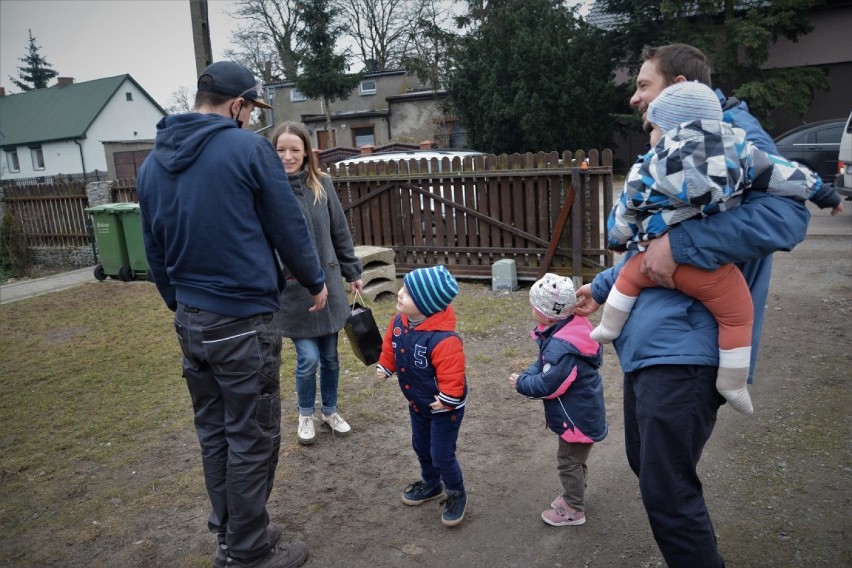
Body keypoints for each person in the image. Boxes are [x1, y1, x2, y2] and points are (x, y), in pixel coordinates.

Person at [575, 43, 811, 568]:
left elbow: (789, 219)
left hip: (686, 346)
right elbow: (660, 232)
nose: (635, 99)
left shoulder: (730, 134)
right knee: (650, 468)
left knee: (667, 491)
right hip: (652, 339)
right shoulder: (674, 135)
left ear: (681, 86)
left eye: (643, 85)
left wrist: (678, 249)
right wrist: (606, 282)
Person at [138, 61, 328, 568]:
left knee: (216, 431)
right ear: (238, 105)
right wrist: (315, 280)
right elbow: (287, 224)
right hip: (243, 323)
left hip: (192, 322)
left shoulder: (152, 162)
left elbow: (154, 249)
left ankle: (232, 533)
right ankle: (248, 551)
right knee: (252, 435)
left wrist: (178, 305)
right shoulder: (247, 149)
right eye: (250, 109)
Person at [590, 81, 842, 415]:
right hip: (707, 270)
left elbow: (624, 211)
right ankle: (733, 381)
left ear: (665, 128)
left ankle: (608, 326)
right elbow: (787, 175)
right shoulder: (741, 150)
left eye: (653, 128)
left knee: (630, 279)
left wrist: (621, 239)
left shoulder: (650, 163)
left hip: (648, 260)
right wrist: (825, 194)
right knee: (738, 312)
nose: (650, 134)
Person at [270, 121, 364, 445]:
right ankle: (305, 414)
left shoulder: (322, 184)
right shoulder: (267, 190)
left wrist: (353, 271)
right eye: (280, 149)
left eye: (294, 149)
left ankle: (331, 411)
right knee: (307, 358)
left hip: (331, 286)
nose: (287, 155)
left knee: (331, 357)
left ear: (306, 152)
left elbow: (339, 230)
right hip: (294, 293)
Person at [508, 273, 606, 527]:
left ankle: (574, 508)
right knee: (575, 460)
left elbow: (549, 385)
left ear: (545, 313)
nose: (531, 309)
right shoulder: (568, 328)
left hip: (577, 419)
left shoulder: (563, 347)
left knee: (568, 461)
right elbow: (543, 364)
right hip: (582, 412)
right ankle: (576, 494)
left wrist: (522, 383)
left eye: (534, 305)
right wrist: (531, 371)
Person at [375, 265, 468, 527]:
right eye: (403, 287)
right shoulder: (398, 323)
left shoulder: (444, 340)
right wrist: (386, 366)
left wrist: (448, 398)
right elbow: (391, 348)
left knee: (441, 454)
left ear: (426, 304)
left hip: (444, 408)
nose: (400, 293)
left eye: (408, 292)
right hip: (417, 402)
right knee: (420, 445)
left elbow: (453, 376)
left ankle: (455, 492)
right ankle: (431, 483)